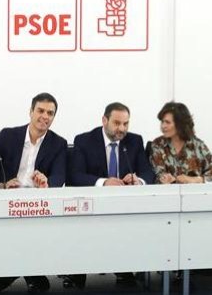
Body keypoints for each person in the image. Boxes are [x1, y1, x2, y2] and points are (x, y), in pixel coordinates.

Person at [0, 93, 67, 293]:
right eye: (40, 111)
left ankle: (16, 271)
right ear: (30, 111)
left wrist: (47, 184)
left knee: (33, 221)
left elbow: (59, 176)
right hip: (7, 198)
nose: (45, 116)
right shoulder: (7, 136)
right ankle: (29, 273)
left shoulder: (58, 143)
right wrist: (2, 185)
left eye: (50, 113)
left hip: (38, 201)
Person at [67, 102, 154, 289]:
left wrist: (138, 181)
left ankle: (123, 267)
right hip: (92, 204)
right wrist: (104, 182)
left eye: (126, 124)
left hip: (123, 206)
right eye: (117, 123)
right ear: (104, 120)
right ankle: (78, 269)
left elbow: (148, 173)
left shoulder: (134, 141)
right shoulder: (84, 140)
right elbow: (74, 175)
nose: (121, 129)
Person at [150, 102, 212, 184]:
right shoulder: (158, 144)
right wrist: (170, 180)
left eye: (167, 122)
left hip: (195, 193)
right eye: (162, 122)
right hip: (168, 193)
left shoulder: (197, 145)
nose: (163, 126)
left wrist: (196, 180)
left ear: (180, 124)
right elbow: (158, 173)